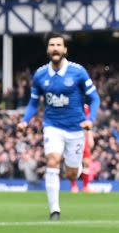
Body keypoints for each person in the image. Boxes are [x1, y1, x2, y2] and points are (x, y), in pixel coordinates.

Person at [17, 33, 100, 219]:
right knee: (52, 160)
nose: (55, 48)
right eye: (52, 44)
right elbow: (33, 103)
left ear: (65, 50)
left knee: (72, 174)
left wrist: (91, 119)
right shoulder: (39, 75)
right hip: (52, 126)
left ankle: (72, 168)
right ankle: (54, 209)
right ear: (48, 49)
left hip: (75, 128)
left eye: (58, 45)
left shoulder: (78, 72)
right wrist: (24, 120)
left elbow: (94, 98)